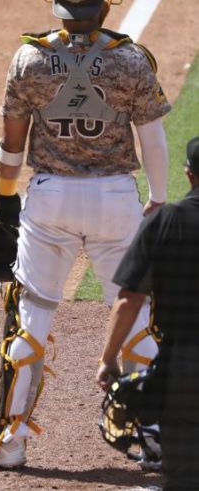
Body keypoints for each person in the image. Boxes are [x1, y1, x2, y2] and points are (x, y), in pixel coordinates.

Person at [0, 0, 172, 469]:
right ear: (104, 3)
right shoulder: (131, 61)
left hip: (50, 200)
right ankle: (153, 439)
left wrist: (5, 206)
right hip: (115, 201)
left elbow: (10, 145)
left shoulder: (28, 60)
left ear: (58, 6)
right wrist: (159, 199)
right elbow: (152, 140)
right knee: (139, 319)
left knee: (30, 317)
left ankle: (11, 442)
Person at [96, 136, 199, 488]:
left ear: (189, 175)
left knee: (183, 475)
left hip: (184, 371)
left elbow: (129, 300)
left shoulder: (166, 221)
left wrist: (108, 359)